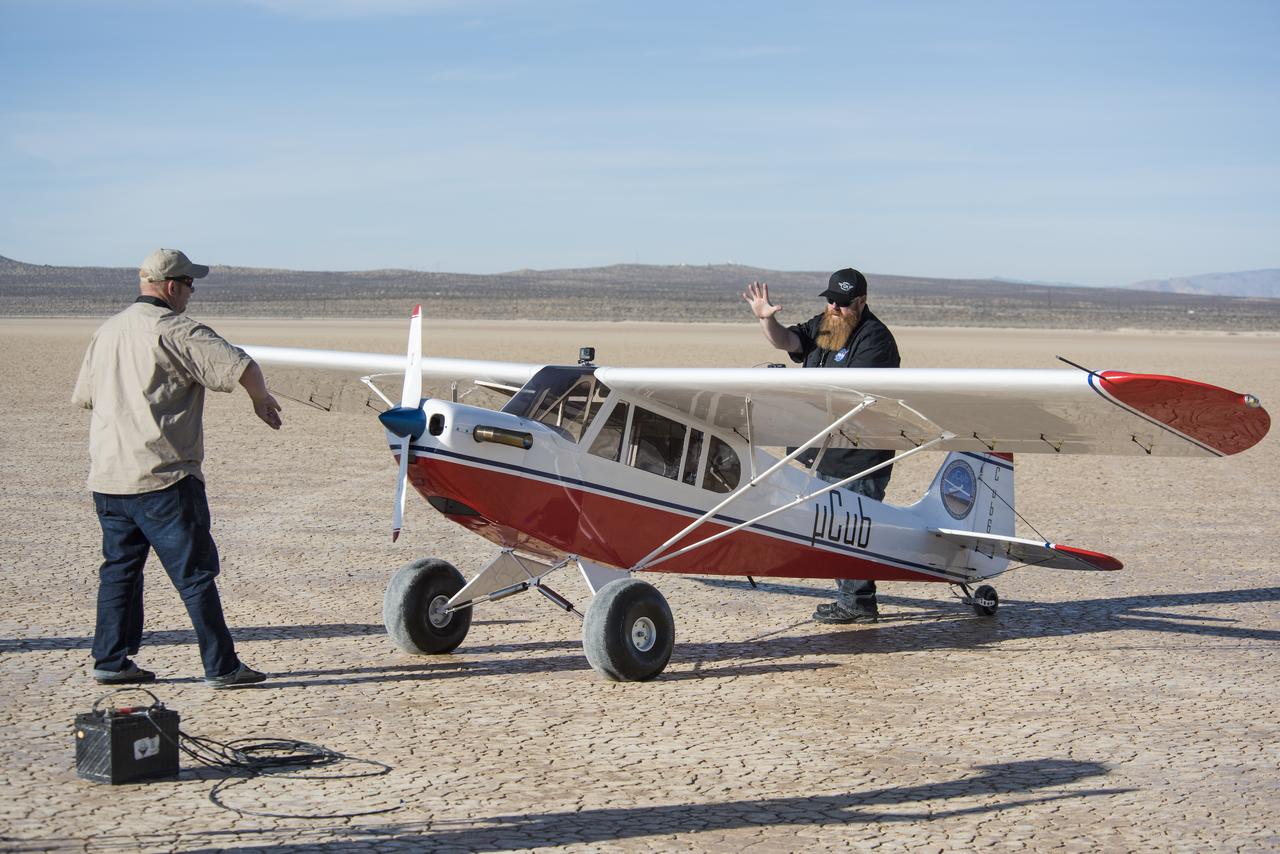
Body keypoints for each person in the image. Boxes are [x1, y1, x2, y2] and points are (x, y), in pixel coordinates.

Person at [72, 248, 283, 687]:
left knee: (119, 571)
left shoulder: (107, 332)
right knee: (194, 574)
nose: (191, 293)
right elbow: (240, 364)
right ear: (172, 286)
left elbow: (86, 396)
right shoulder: (177, 329)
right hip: (163, 478)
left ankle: (110, 660)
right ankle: (221, 666)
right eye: (190, 285)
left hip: (110, 478)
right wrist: (260, 398)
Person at [742, 268, 900, 624]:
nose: (834, 307)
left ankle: (858, 602)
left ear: (861, 301)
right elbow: (790, 342)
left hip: (860, 455)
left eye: (843, 303)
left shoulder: (875, 340)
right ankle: (853, 600)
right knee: (833, 526)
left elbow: (846, 395)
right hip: (826, 451)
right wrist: (767, 320)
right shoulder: (825, 324)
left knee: (851, 527)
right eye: (830, 300)